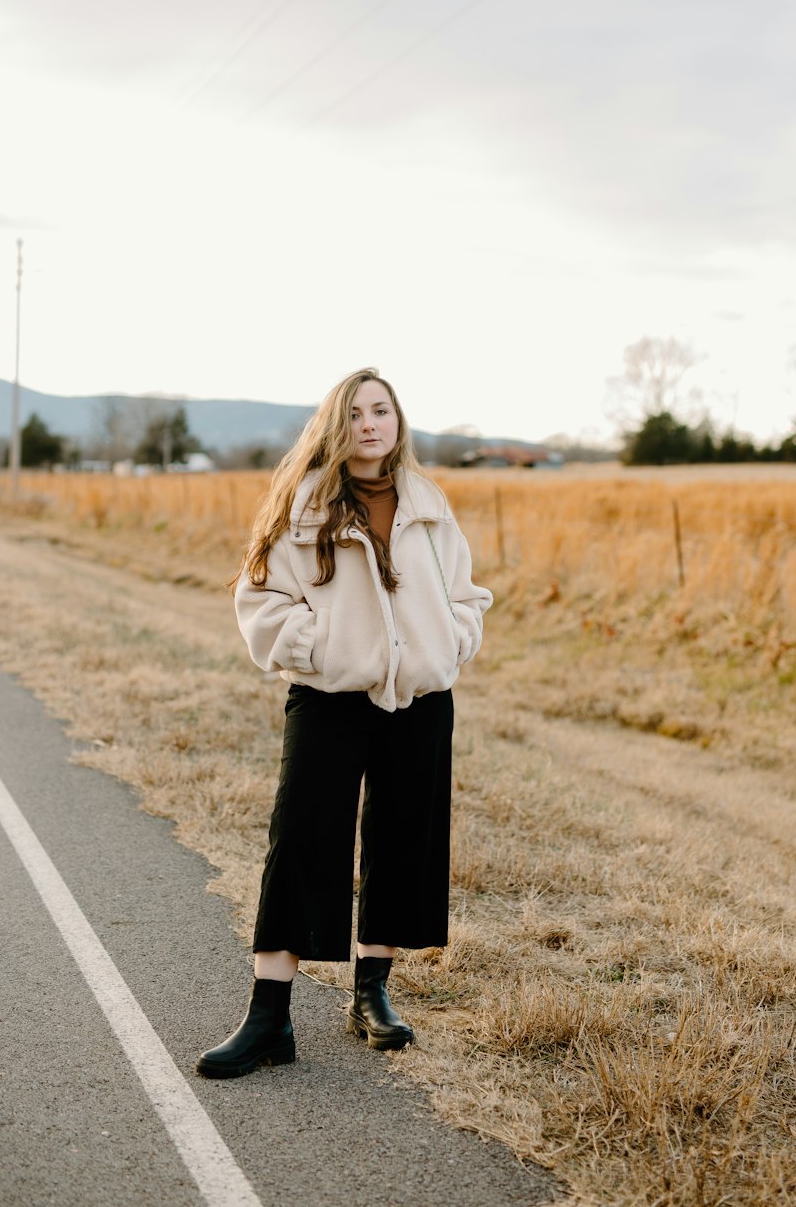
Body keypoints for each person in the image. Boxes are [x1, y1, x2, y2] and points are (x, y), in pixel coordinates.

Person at [197, 368, 492, 1077]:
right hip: (331, 698)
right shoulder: (304, 505)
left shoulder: (428, 503)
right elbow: (260, 596)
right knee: (301, 839)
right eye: (356, 412)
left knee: (401, 840)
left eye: (381, 410)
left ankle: (372, 996)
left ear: (398, 422)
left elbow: (465, 594)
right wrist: (317, 649)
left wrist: (447, 644)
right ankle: (269, 1016)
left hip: (418, 700)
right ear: (338, 424)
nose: (370, 423)